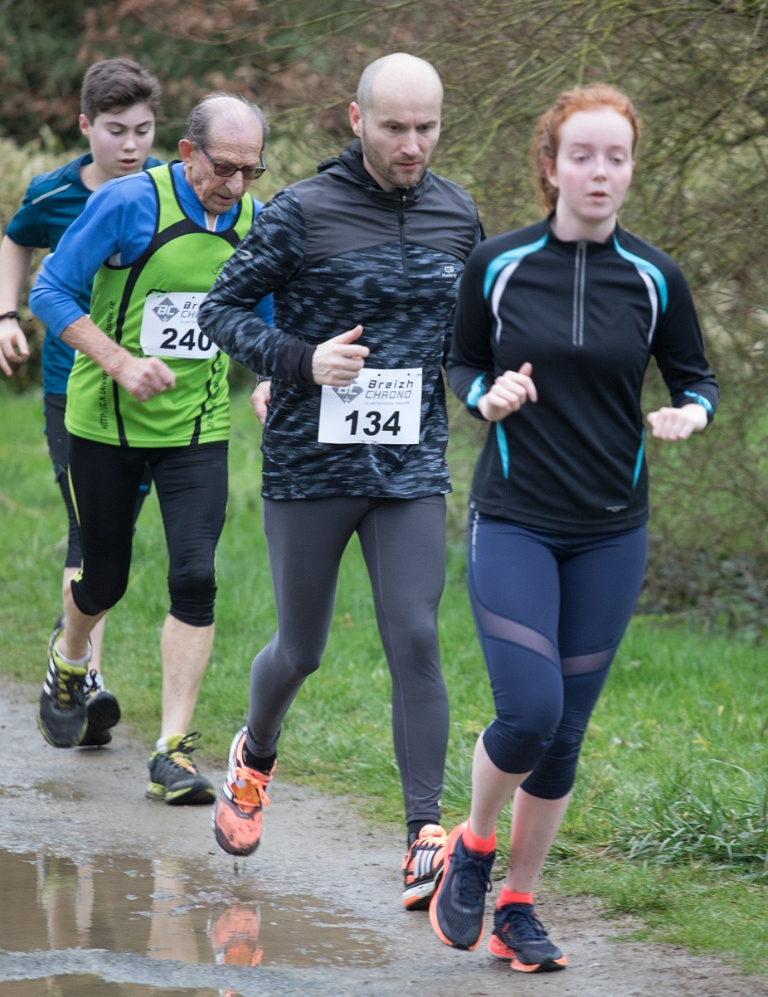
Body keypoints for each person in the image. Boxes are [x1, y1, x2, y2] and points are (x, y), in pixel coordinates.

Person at [428, 84, 719, 970]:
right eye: (583, 156)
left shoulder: (656, 277)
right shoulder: (499, 263)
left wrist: (691, 414)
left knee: (565, 734)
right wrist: (486, 396)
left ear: (631, 170)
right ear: (551, 166)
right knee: (531, 712)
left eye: (616, 158)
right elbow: (460, 360)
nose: (600, 172)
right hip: (516, 519)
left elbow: (696, 377)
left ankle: (517, 905)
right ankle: (473, 845)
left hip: (611, 532)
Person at [197, 52, 482, 907]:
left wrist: (490, 387)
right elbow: (220, 309)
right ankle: (254, 755)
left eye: (426, 127)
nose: (412, 145)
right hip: (310, 466)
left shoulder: (458, 214)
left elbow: (469, 341)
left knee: (416, 637)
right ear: (357, 120)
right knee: (303, 649)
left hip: (409, 466)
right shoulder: (302, 211)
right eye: (394, 127)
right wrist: (300, 360)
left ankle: (424, 837)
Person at [29, 92, 273, 804]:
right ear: (188, 152)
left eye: (250, 171)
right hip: (106, 425)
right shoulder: (129, 203)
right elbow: (51, 290)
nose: (234, 185)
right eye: (223, 168)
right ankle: (70, 656)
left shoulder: (254, 221)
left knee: (195, 576)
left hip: (197, 431)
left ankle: (172, 751)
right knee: (104, 579)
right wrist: (119, 361)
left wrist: (272, 378)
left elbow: (268, 316)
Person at [0, 58, 163, 746]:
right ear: (85, 126)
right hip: (74, 389)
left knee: (113, 537)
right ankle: (84, 678)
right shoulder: (55, 192)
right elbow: (15, 239)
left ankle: (69, 646)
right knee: (88, 531)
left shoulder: (167, 191)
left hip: (150, 396)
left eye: (143, 130)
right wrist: (6, 315)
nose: (131, 145)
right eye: (115, 130)